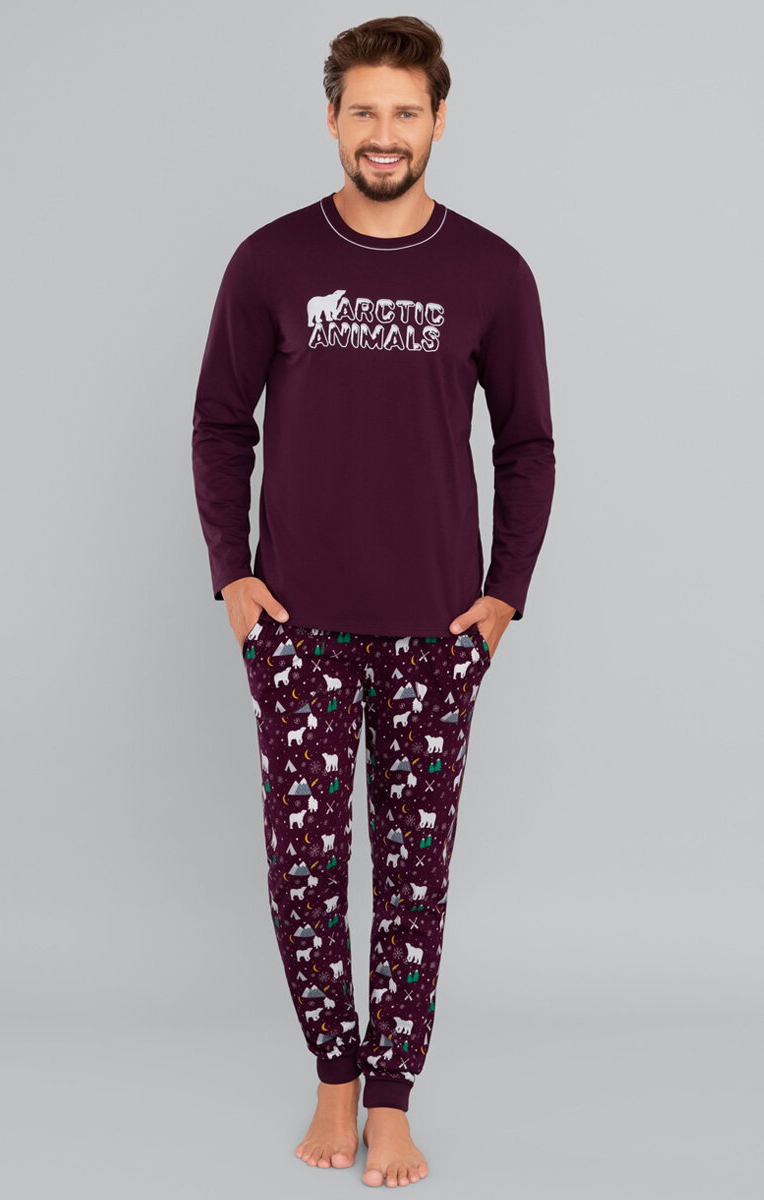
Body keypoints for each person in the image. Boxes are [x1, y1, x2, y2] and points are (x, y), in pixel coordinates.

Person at [191, 15, 555, 1189]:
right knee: (303, 868)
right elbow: (219, 423)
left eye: (405, 112)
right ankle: (333, 1080)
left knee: (412, 873)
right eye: (363, 111)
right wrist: (233, 573)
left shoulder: (490, 273)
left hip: (436, 631)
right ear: (332, 120)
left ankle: (390, 1099)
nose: (383, 133)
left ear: (438, 120)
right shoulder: (269, 262)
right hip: (296, 627)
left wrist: (502, 597)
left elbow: (527, 446)